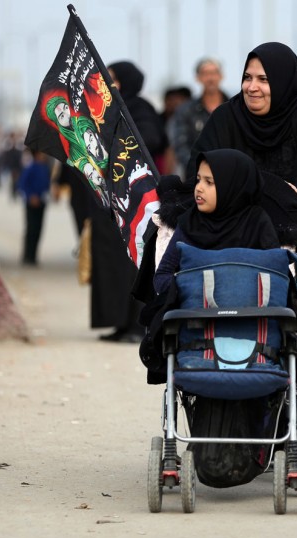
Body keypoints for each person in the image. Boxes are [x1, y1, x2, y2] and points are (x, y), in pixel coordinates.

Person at [189, 42, 297, 453]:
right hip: (229, 243)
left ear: (282, 82)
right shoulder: (226, 118)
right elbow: (201, 174)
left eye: (263, 79)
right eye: (247, 78)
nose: (253, 87)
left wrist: (254, 192)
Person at [93, 61, 167, 344]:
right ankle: (120, 323)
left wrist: (119, 142)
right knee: (113, 263)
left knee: (134, 261)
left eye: (112, 80)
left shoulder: (138, 108)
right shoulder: (111, 111)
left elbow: (151, 137)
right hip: (114, 199)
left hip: (136, 199)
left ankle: (137, 325)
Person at [154, 150, 279, 293]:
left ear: (231, 186)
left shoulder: (256, 222)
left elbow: (277, 274)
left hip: (248, 310)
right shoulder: (190, 222)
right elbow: (162, 277)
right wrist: (195, 286)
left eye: (209, 182)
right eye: (198, 179)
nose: (199, 188)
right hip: (195, 311)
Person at [171, 58, 229, 180]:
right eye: (205, 74)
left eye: (214, 73)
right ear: (198, 78)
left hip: (230, 173)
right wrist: (200, 167)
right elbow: (180, 145)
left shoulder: (234, 107)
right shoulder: (186, 110)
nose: (210, 78)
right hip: (196, 176)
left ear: (221, 76)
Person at [17, 150, 52, 266]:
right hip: (31, 203)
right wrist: (30, 196)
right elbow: (22, 184)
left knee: (38, 229)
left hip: (42, 202)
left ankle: (34, 256)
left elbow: (47, 184)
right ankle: (27, 255)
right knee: (31, 229)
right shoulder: (30, 167)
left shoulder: (45, 168)